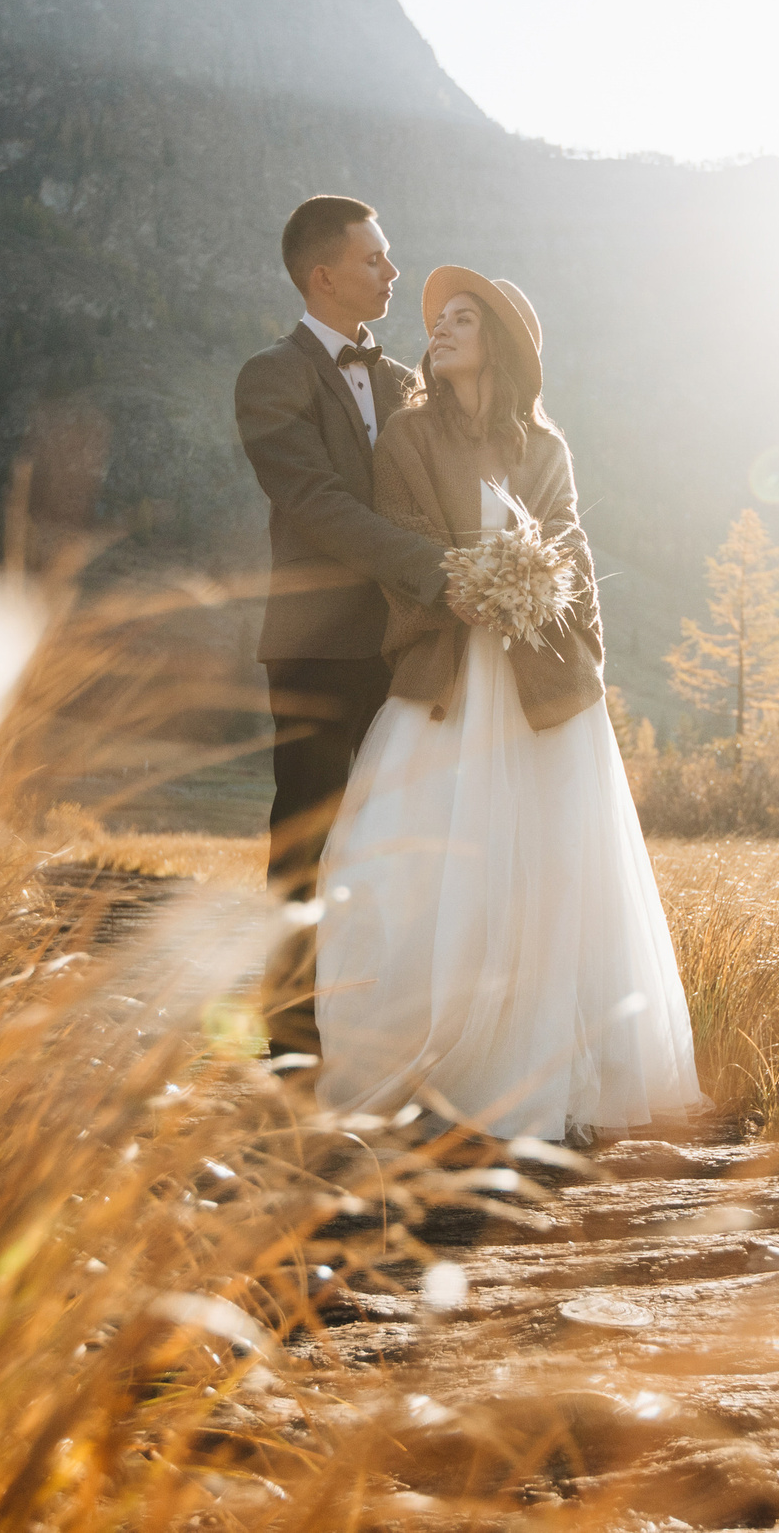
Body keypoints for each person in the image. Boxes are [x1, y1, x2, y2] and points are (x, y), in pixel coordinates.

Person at [311, 266, 708, 1145]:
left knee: (550, 877)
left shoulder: (546, 449)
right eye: (439, 319)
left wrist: (541, 596)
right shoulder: (409, 436)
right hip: (448, 678)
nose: (441, 329)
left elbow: (570, 548)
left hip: (538, 687)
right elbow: (402, 538)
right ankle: (427, 1067)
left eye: (463, 318)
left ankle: (538, 1073)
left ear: (500, 342)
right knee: (413, 871)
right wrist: (463, 583)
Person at [235, 196, 449, 1057]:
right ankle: (292, 1035)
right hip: (317, 648)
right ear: (322, 276)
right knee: (308, 838)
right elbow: (316, 502)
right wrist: (432, 566)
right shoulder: (270, 376)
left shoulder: (405, 382)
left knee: (403, 835)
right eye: (374, 259)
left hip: (407, 647)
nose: (393, 272)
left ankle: (386, 1023)